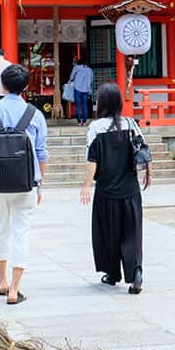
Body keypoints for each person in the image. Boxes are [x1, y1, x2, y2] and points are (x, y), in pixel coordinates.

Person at [0, 64, 48, 305]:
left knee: (0, 229)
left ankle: (2, 281)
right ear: (25, 87)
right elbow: (42, 153)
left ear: (2, 86)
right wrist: (40, 184)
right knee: (21, 231)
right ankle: (15, 289)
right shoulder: (35, 114)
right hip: (27, 181)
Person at [80, 82, 148, 295]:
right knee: (132, 232)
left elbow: (93, 160)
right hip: (130, 190)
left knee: (108, 233)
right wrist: (148, 174)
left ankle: (112, 273)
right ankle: (135, 271)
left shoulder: (96, 128)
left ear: (102, 103)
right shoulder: (130, 123)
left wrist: (86, 185)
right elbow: (143, 151)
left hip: (107, 191)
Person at [68, 56, 94, 126]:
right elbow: (91, 80)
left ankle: (79, 122)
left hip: (77, 88)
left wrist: (70, 81)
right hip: (86, 89)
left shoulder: (76, 68)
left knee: (78, 105)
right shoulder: (90, 70)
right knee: (85, 105)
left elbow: (71, 77)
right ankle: (84, 122)